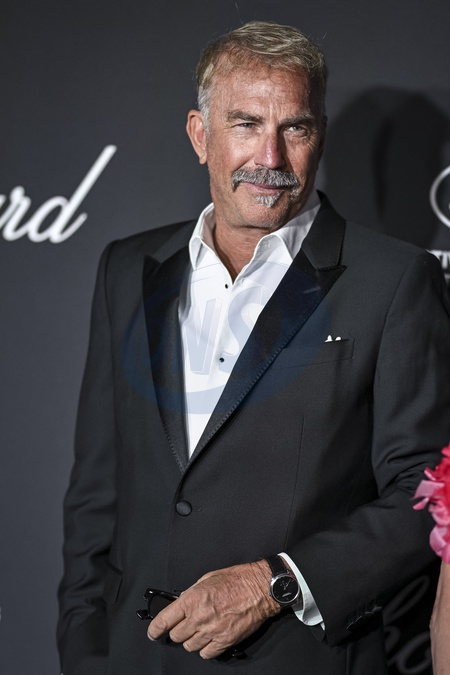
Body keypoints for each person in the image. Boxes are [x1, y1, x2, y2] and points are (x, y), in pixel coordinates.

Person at [57, 20, 450, 675]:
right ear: (199, 134)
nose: (270, 157)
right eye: (245, 124)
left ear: (320, 135)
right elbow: (97, 494)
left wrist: (276, 583)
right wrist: (86, 649)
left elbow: (427, 498)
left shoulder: (394, 280)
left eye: (295, 128)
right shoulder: (127, 268)